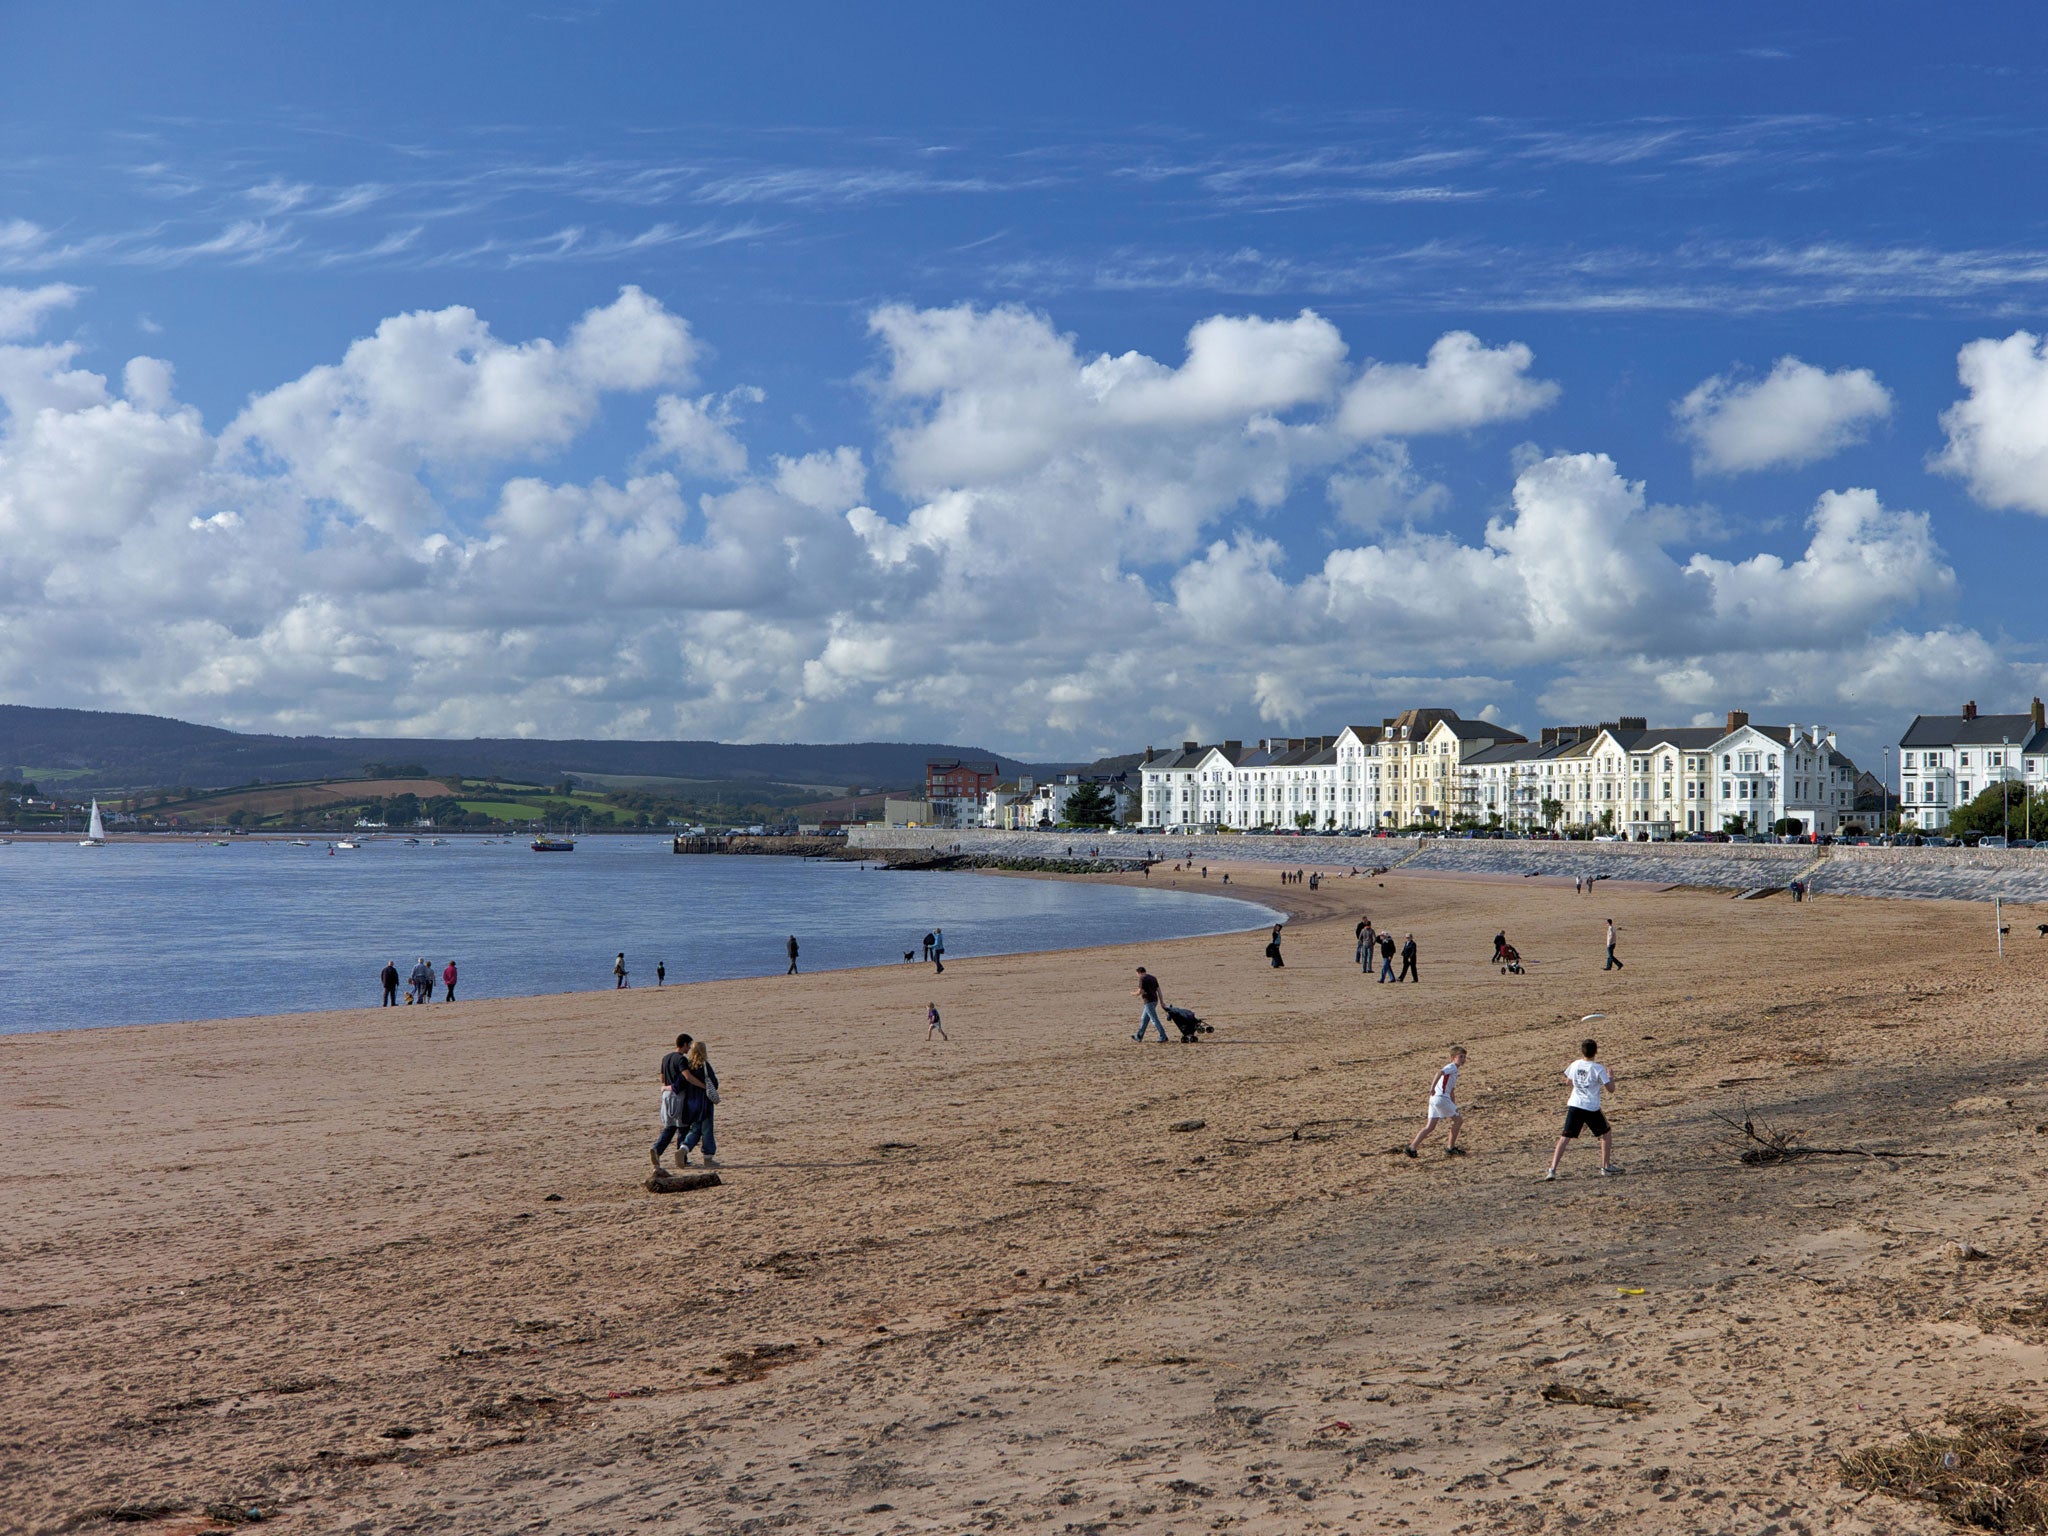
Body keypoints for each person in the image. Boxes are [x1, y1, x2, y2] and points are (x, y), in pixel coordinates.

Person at [1545, 1038, 1618, 1179]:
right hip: (1591, 1107)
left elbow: (1568, 1082)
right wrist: (1611, 1077)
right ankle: (1606, 1166)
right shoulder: (1598, 1068)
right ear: (1595, 1051)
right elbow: (1611, 1089)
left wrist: (1580, 1083)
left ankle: (1552, 1169)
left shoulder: (1575, 1064)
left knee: (1564, 1138)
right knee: (1606, 1133)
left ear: (1582, 1051)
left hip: (1575, 1105)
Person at [1406, 1047, 1468, 1158]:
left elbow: (1451, 1091)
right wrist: (1432, 1087)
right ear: (1453, 1058)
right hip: (1440, 1098)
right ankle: (1450, 1147)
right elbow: (1439, 1072)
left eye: (1464, 1057)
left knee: (1430, 1126)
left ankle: (1412, 1147)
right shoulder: (1452, 1067)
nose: (1463, 1059)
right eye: (1460, 1057)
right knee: (1458, 1121)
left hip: (1435, 1099)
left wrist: (1453, 1104)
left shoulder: (1454, 1071)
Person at [650, 1031, 696, 1171]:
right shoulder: (681, 1059)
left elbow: (662, 1078)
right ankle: (681, 1158)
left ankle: (657, 1150)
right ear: (683, 1044)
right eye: (688, 1046)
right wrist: (701, 1085)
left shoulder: (665, 1058)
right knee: (682, 1127)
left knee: (670, 1127)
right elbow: (687, 1077)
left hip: (666, 1095)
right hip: (678, 1095)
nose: (689, 1049)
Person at [678, 1039, 719, 1167]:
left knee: (695, 1129)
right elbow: (715, 1084)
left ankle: (684, 1148)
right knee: (707, 1129)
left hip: (691, 1102)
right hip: (704, 1102)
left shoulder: (688, 1066)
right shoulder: (705, 1065)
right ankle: (708, 1157)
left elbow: (682, 1082)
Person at [1132, 966, 1167, 1042]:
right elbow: (1159, 990)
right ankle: (1139, 1036)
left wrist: (1133, 993)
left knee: (1154, 1019)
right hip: (1154, 1000)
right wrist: (1161, 1002)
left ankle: (1163, 1035)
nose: (1138, 976)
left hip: (1148, 1001)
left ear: (1139, 973)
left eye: (1137, 974)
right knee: (1144, 1019)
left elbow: (1139, 992)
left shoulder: (1142, 978)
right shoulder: (1153, 978)